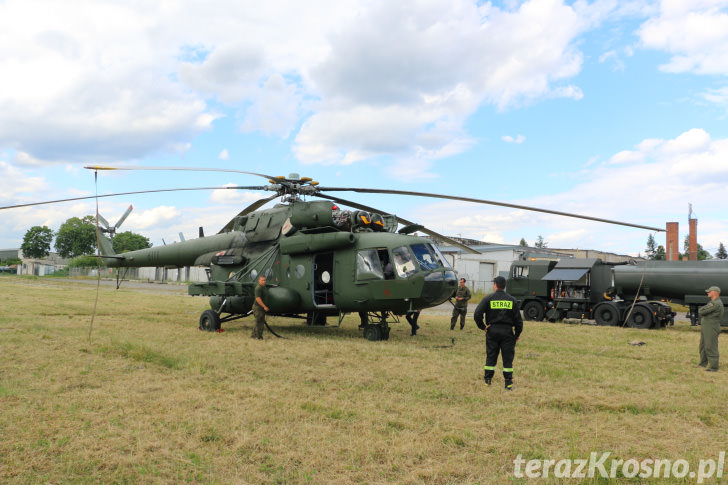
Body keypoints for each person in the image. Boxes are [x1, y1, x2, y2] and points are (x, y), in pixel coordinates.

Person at [474, 276, 523, 390]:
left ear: (495, 285)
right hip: (507, 333)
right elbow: (519, 322)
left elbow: (477, 314)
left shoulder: (488, 298)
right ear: (504, 286)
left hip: (492, 331)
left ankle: (487, 381)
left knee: (491, 356)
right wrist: (516, 335)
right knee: (507, 359)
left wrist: (483, 327)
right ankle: (508, 384)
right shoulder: (512, 300)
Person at [698, 285, 724, 371]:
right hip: (707, 327)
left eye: (709, 291)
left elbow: (701, 311)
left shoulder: (716, 303)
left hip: (711, 327)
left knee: (711, 346)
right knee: (703, 346)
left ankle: (713, 367)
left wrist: (704, 311)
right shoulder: (712, 302)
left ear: (715, 293)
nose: (707, 293)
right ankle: (703, 363)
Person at [252, 275, 269, 339]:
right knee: (259, 323)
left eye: (264, 280)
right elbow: (258, 299)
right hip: (258, 307)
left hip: (261, 308)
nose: (264, 281)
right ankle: (258, 336)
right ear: (259, 281)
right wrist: (264, 306)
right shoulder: (258, 288)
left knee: (259, 322)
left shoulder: (264, 287)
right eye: (262, 280)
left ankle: (254, 336)